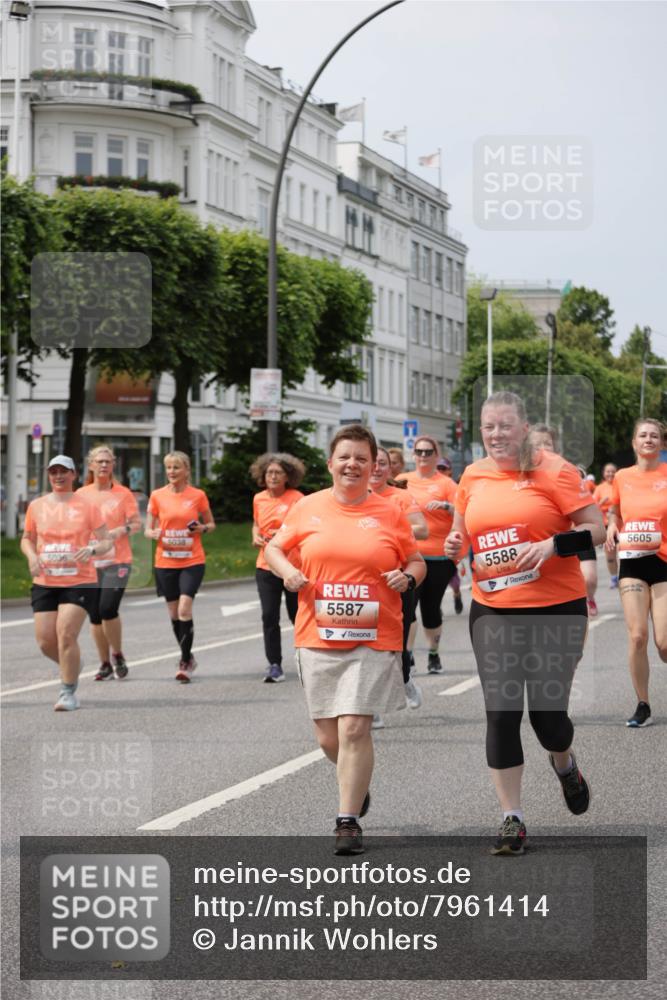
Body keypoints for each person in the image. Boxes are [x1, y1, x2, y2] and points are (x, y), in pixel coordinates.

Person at [445, 392, 604, 855]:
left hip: (556, 605)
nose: (496, 435)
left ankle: (564, 762)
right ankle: (511, 817)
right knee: (501, 712)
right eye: (488, 427)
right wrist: (456, 545)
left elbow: (596, 528)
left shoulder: (554, 470)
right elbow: (463, 533)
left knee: (548, 719)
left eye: (505, 426)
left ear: (525, 427)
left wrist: (555, 544)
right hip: (493, 607)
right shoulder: (472, 475)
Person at [265, 425, 426, 856]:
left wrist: (407, 576)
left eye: (361, 458)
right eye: (345, 457)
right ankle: (356, 784)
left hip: (374, 633)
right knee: (328, 738)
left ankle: (347, 820)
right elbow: (274, 550)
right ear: (330, 463)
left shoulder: (390, 511)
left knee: (355, 726)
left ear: (374, 466)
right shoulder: (307, 508)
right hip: (317, 633)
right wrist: (288, 572)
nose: (352, 464)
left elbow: (415, 558)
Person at [20, 455, 112, 711]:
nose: (58, 476)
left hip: (80, 580)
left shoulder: (88, 506)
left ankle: (68, 692)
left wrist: (93, 550)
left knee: (66, 634)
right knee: (44, 641)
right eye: (53, 472)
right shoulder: (37, 506)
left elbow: (107, 541)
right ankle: (72, 663)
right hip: (46, 579)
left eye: (64, 471)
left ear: (74, 475)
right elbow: (27, 538)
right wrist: (32, 556)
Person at [606, 419, 667, 727]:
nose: (648, 439)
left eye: (654, 435)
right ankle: (643, 704)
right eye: (643, 434)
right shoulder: (622, 476)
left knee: (665, 643)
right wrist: (613, 526)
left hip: (664, 562)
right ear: (633, 442)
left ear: (662, 443)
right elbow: (615, 510)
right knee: (638, 636)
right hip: (632, 561)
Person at [145, 451, 215, 683]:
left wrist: (202, 529)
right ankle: (188, 656)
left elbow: (211, 524)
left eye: (176, 467)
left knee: (185, 609)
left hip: (192, 560)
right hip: (165, 561)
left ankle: (185, 660)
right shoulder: (157, 496)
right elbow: (148, 528)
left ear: (186, 470)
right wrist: (152, 532)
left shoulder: (197, 495)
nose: (172, 472)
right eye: (169, 468)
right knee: (174, 613)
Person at [369, 446, 428, 711]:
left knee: (394, 640)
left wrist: (386, 531)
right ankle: (370, 705)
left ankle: (404, 679)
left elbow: (423, 530)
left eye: (383, 463)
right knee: (365, 643)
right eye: (373, 462)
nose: (377, 468)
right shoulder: (351, 498)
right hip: (362, 582)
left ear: (390, 468)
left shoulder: (400, 497)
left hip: (398, 578)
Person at [77, 445, 141, 681]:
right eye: (99, 461)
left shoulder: (124, 494)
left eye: (108, 462)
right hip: (91, 561)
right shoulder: (81, 495)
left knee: (107, 608)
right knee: (94, 615)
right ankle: (104, 663)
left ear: (114, 465)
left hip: (118, 560)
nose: (103, 465)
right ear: (91, 465)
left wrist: (119, 531)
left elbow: (136, 524)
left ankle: (117, 653)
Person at [397, 435, 457, 673]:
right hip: (409, 556)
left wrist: (447, 507)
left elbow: (463, 513)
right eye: (419, 452)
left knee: (430, 608)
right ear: (413, 455)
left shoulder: (446, 484)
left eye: (428, 452)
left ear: (436, 455)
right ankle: (408, 653)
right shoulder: (402, 480)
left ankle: (433, 654)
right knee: (407, 607)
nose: (423, 456)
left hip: (438, 557)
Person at [529, 426, 600, 617]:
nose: (542, 449)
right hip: (544, 544)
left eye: (546, 444)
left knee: (590, 578)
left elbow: (593, 521)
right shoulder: (525, 478)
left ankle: (588, 597)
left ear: (556, 449)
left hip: (577, 535)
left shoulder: (566, 471)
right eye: (536, 445)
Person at [250, 452, 305, 683]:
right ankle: (274, 664)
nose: (272, 476)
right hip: (265, 565)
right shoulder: (259, 498)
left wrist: (281, 535)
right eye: (269, 472)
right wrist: (256, 537)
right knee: (269, 616)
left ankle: (305, 657)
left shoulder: (297, 498)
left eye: (278, 473)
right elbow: (255, 525)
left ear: (287, 477)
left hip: (291, 566)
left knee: (298, 615)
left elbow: (303, 529)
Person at [437, 455, 464, 615]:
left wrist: (446, 506)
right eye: (438, 468)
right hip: (432, 543)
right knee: (435, 581)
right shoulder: (430, 486)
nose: (440, 471)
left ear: (449, 471)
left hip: (451, 539)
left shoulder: (453, 487)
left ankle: (457, 593)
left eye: (443, 468)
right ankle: (435, 604)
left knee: (452, 576)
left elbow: (461, 511)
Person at [594, 463, 619, 587]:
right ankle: (614, 577)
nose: (610, 474)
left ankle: (626, 576)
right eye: (608, 471)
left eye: (613, 471)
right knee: (610, 555)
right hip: (606, 526)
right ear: (604, 473)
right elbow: (592, 508)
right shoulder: (599, 488)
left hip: (621, 524)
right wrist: (601, 503)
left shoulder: (621, 485)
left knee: (624, 554)